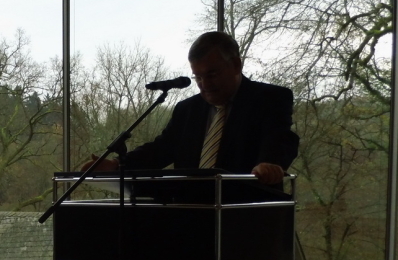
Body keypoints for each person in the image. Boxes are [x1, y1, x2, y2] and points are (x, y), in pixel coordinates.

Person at [90, 32, 298, 185]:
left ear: (236, 65)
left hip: (246, 214)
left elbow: (279, 138)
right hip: (191, 212)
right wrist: (117, 165)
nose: (204, 84)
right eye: (198, 77)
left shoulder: (269, 98)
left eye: (212, 74)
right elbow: (161, 150)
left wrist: (269, 164)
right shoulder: (187, 109)